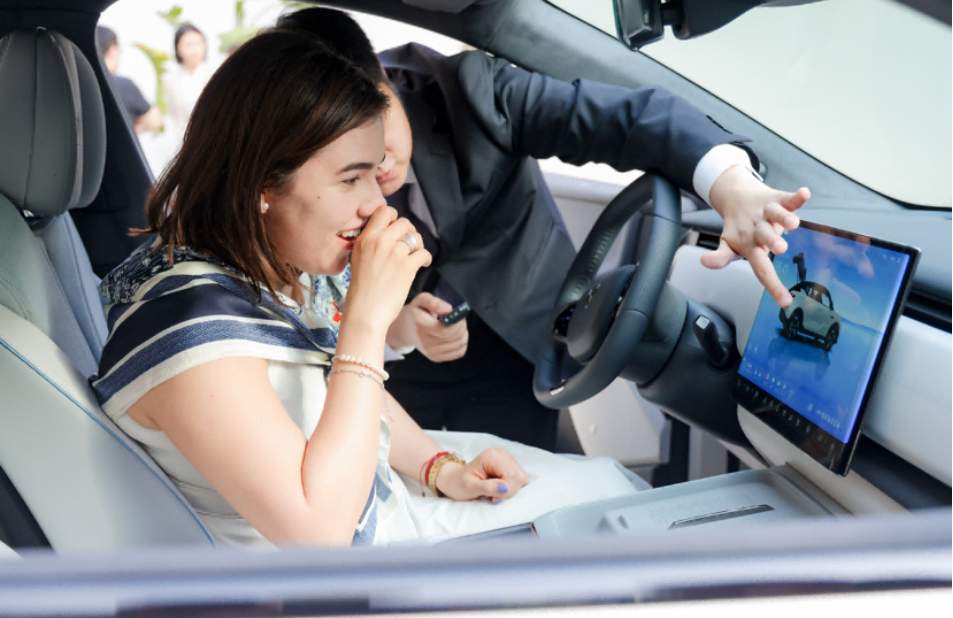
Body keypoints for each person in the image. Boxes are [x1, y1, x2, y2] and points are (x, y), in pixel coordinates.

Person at [91, 29, 642, 548]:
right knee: (616, 508)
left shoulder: (273, 270)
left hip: (385, 504)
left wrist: (437, 466)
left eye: (374, 176)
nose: (376, 205)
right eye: (351, 178)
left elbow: (343, 395)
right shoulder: (191, 332)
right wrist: (367, 321)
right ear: (261, 183)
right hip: (354, 567)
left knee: (611, 487)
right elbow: (322, 537)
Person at [276, 9, 810, 451]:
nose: (377, 168)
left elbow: (628, 119)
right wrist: (399, 329)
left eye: (379, 129)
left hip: (520, 341)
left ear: (386, 78)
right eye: (351, 168)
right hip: (392, 365)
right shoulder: (297, 188)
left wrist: (728, 184)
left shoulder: (470, 90)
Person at [96, 26, 161, 134]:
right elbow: (155, 121)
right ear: (113, 50)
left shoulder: (83, 85)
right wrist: (138, 125)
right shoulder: (124, 85)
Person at [163, 22, 215, 145]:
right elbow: (173, 116)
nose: (194, 49)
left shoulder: (215, 73)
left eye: (198, 43)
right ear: (178, 48)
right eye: (188, 44)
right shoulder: (170, 80)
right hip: (183, 139)